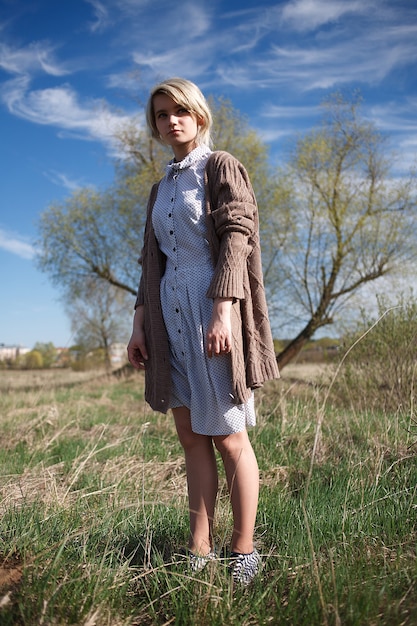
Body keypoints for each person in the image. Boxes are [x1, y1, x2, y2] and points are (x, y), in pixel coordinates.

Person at [127, 77, 279, 585]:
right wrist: (139, 321)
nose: (170, 120)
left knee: (230, 437)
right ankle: (200, 548)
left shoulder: (220, 166)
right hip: (169, 311)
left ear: (198, 114)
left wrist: (223, 309)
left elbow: (239, 234)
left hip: (213, 306)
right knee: (191, 434)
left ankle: (244, 550)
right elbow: (151, 259)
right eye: (160, 114)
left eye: (179, 111)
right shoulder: (160, 187)